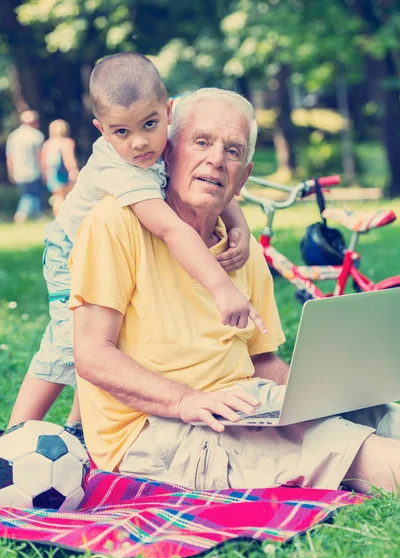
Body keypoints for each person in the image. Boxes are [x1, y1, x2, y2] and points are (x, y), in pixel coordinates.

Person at [69, 88, 400, 495]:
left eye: (232, 150)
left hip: (245, 404)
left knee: (380, 413)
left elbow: (261, 361)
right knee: (356, 451)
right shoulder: (114, 224)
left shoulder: (241, 252)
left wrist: (315, 393)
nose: (215, 160)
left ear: (243, 176)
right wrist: (184, 401)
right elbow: (91, 355)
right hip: (155, 430)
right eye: (202, 142)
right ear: (168, 152)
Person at [8, 54, 264, 444]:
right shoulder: (120, 166)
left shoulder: (156, 142)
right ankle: (14, 436)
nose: (140, 142)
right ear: (102, 130)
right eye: (122, 132)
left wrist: (238, 224)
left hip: (112, 247)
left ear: (168, 112)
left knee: (118, 326)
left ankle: (78, 426)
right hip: (68, 249)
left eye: (149, 124)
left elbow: (213, 175)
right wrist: (221, 287)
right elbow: (170, 230)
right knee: (69, 341)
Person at [6, 109, 44, 223]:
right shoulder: (37, 135)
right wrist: (44, 171)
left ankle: (36, 216)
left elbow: (10, 157)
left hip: (19, 171)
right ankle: (21, 215)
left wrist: (11, 172)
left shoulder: (13, 136)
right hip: (33, 170)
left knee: (29, 194)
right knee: (31, 195)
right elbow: (39, 156)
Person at [41, 119, 79, 216]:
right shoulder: (67, 142)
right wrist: (73, 171)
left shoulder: (47, 144)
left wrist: (45, 175)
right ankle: (65, 217)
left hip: (52, 174)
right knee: (67, 197)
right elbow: (69, 159)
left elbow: (43, 162)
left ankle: (57, 217)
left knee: (57, 197)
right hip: (64, 174)